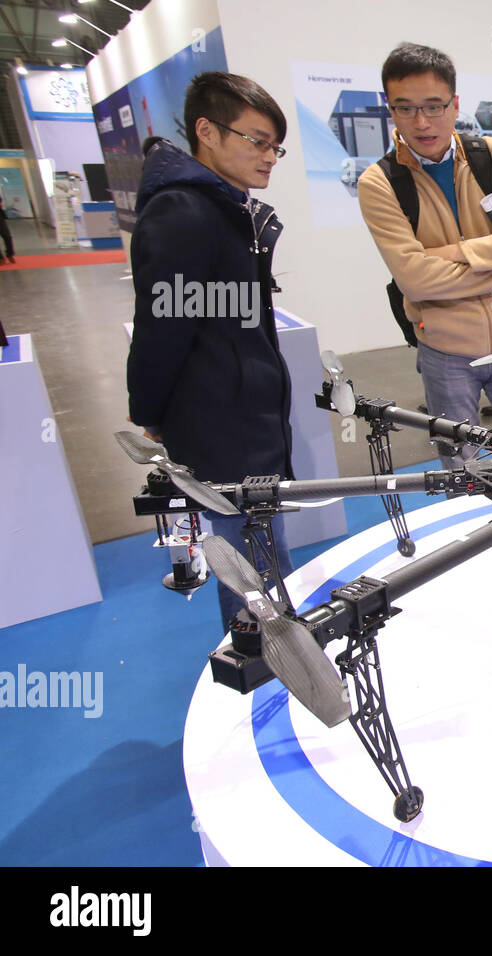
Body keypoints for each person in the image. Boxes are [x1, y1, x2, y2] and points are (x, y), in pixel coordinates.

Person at [125, 72, 293, 633]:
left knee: (258, 547)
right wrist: (148, 410)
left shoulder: (223, 204)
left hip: (243, 410)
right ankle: (259, 665)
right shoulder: (187, 211)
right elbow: (162, 326)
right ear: (207, 132)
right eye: (256, 140)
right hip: (224, 419)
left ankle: (269, 652)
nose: (269, 156)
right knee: (251, 560)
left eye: (275, 145)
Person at [358, 43, 492, 468]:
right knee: (463, 472)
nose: (421, 122)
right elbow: (415, 280)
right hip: (446, 354)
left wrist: (449, 254)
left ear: (454, 104)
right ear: (389, 108)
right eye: (405, 108)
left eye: (433, 106)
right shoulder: (379, 183)